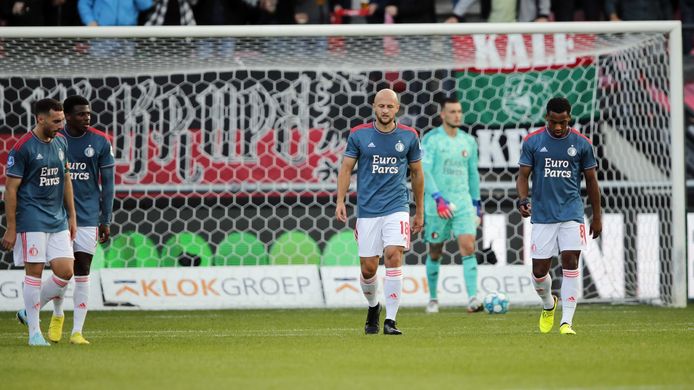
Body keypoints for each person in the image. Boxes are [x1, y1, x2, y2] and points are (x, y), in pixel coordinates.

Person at [336, 88, 424, 336]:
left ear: (398, 109)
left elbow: (417, 174)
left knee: (393, 254)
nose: (385, 110)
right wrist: (340, 200)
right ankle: (374, 307)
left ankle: (391, 320)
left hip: (397, 206)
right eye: (381, 106)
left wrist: (419, 211)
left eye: (390, 106)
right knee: (368, 269)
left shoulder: (409, 136)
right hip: (368, 209)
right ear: (374, 107)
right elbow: (345, 169)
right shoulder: (359, 135)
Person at [516, 96, 602, 335]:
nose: (558, 127)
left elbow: (592, 181)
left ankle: (567, 322)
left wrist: (597, 216)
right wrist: (523, 199)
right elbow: (523, 176)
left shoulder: (582, 143)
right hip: (543, 215)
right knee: (539, 272)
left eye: (562, 122)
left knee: (571, 262)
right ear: (547, 118)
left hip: (572, 212)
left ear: (569, 118)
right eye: (554, 122)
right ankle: (548, 304)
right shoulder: (533, 142)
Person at [2, 98, 77, 346]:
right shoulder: (22, 148)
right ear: (40, 118)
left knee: (65, 271)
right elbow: (10, 190)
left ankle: (27, 311)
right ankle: (35, 333)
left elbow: (66, 179)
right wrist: (11, 228)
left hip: (58, 219)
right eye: (56, 121)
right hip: (32, 218)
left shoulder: (61, 142)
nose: (60, 125)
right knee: (34, 273)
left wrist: (72, 216)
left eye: (62, 121)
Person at [43, 95, 115, 345]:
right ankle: (57, 314)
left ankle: (77, 332)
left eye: (89, 114)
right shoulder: (55, 140)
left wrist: (106, 218)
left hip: (87, 217)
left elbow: (109, 184)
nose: (87, 117)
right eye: (82, 114)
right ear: (68, 116)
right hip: (57, 216)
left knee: (83, 271)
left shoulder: (100, 141)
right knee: (63, 272)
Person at [421, 97, 483, 314]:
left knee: (468, 247)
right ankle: (433, 298)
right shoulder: (431, 140)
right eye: (452, 112)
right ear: (442, 115)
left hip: (463, 203)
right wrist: (438, 199)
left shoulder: (468, 141)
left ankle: (473, 298)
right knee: (435, 251)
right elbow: (424, 172)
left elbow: (473, 174)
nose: (457, 115)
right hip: (437, 204)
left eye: (459, 111)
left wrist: (476, 204)